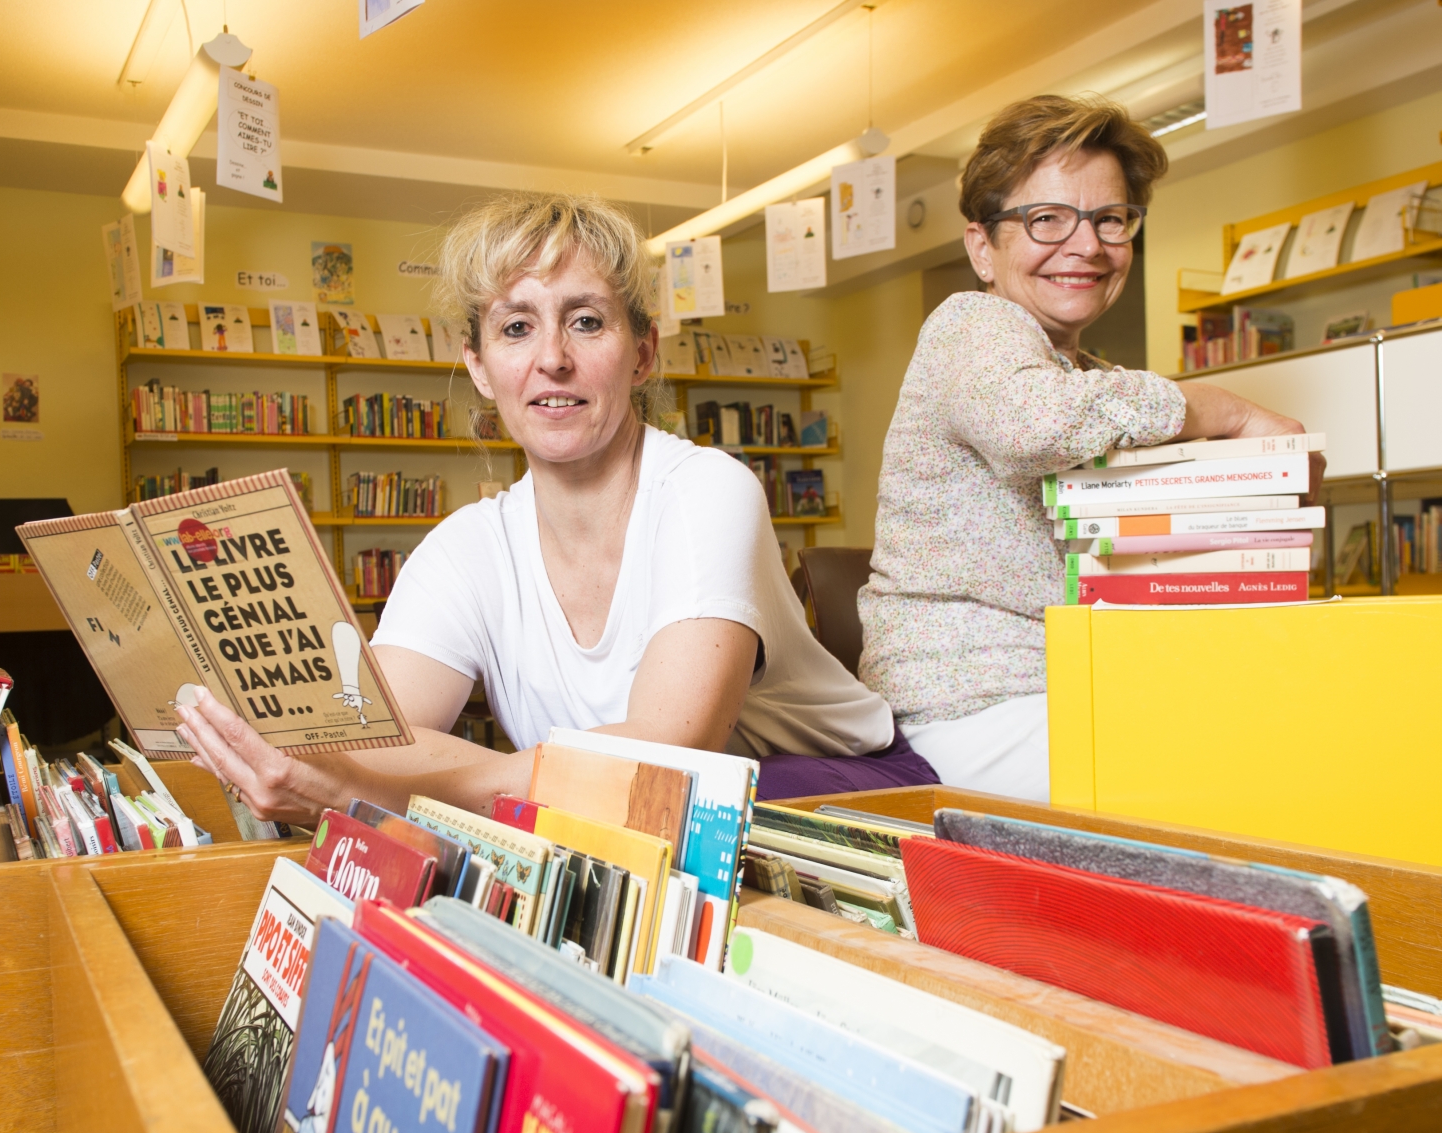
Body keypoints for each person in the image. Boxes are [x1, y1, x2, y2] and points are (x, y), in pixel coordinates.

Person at [176, 193, 928, 826]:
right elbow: (366, 739)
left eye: (587, 321)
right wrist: (332, 765)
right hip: (618, 817)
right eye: (515, 326)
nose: (552, 358)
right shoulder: (464, 547)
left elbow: (669, 748)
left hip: (834, 800)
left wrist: (394, 783)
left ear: (642, 354)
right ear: (478, 366)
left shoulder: (708, 490)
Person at [858, 94, 1304, 802]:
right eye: (1047, 220)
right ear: (983, 247)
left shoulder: (1089, 381)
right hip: (975, 705)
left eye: (1110, 219)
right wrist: (1219, 408)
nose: (1087, 245)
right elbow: (1031, 426)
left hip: (1073, 688)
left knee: (1285, 735)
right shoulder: (971, 325)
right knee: (1239, 783)